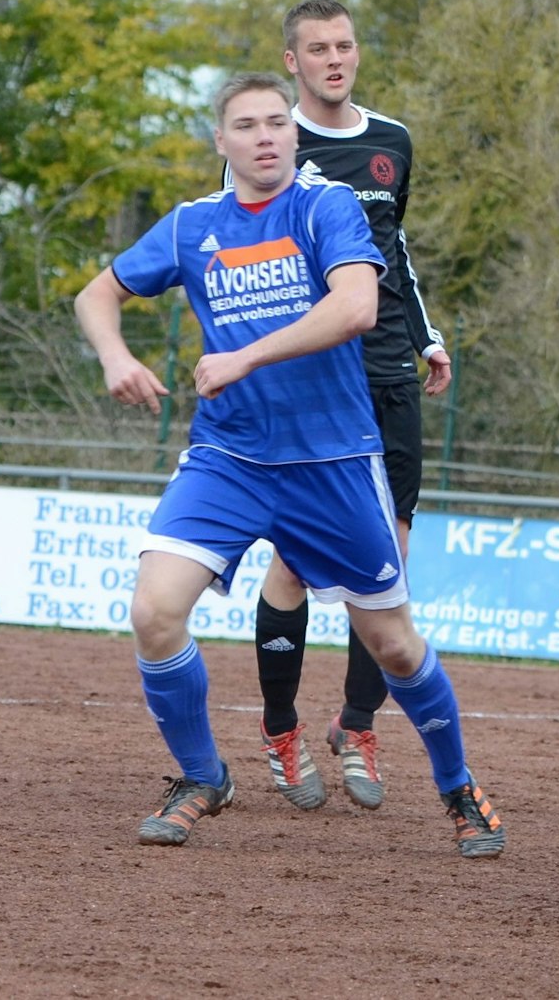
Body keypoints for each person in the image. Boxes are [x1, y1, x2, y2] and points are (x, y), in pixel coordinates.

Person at [72, 72, 503, 857]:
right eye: (247, 124)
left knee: (394, 644)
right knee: (154, 610)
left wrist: (243, 356)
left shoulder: (324, 205)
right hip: (228, 458)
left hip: (333, 460)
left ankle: (459, 786)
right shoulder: (191, 225)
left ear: (294, 135)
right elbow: (95, 294)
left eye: (277, 121)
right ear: (222, 141)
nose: (266, 135)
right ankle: (204, 775)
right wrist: (114, 355)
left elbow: (357, 307)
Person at [241, 0, 451, 816]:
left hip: (390, 370)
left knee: (386, 563)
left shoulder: (391, 141)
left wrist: (426, 338)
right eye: (319, 48)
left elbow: (392, 252)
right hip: (311, 383)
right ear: (291, 61)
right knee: (294, 560)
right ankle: (282, 732)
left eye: (346, 46)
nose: (336, 59)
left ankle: (358, 725)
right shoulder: (268, 146)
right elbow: (243, 264)